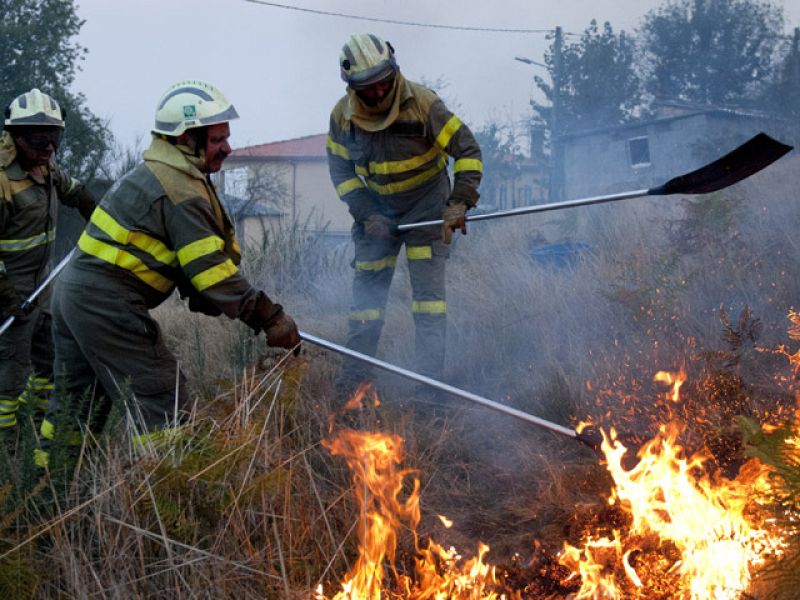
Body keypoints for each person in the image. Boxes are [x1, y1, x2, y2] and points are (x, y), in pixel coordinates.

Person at [37, 80, 300, 466]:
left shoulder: (161, 173)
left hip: (75, 295)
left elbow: (179, 263)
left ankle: (43, 494)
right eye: (216, 140)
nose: (227, 148)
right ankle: (170, 485)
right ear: (185, 139)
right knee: (160, 392)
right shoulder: (180, 189)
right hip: (105, 300)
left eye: (226, 138)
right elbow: (211, 271)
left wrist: (199, 290)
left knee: (77, 403)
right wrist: (269, 317)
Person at [326, 34, 482, 393]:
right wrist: (366, 213)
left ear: (394, 71)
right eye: (368, 88)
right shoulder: (342, 116)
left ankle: (428, 390)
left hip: (427, 210)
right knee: (366, 303)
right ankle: (355, 382)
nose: (379, 93)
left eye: (383, 83)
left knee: (428, 304)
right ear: (352, 87)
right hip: (377, 215)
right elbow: (341, 172)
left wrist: (459, 202)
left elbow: (468, 150)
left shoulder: (424, 105)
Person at [0, 88, 96, 433]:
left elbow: (75, 192)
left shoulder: (47, 168)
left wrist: (100, 217)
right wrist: (8, 296)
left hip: (42, 289)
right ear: (17, 136)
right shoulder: (2, 182)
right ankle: (8, 449)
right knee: (9, 375)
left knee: (49, 361)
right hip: (10, 294)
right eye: (41, 139)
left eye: (55, 137)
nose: (49, 147)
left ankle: (38, 426)